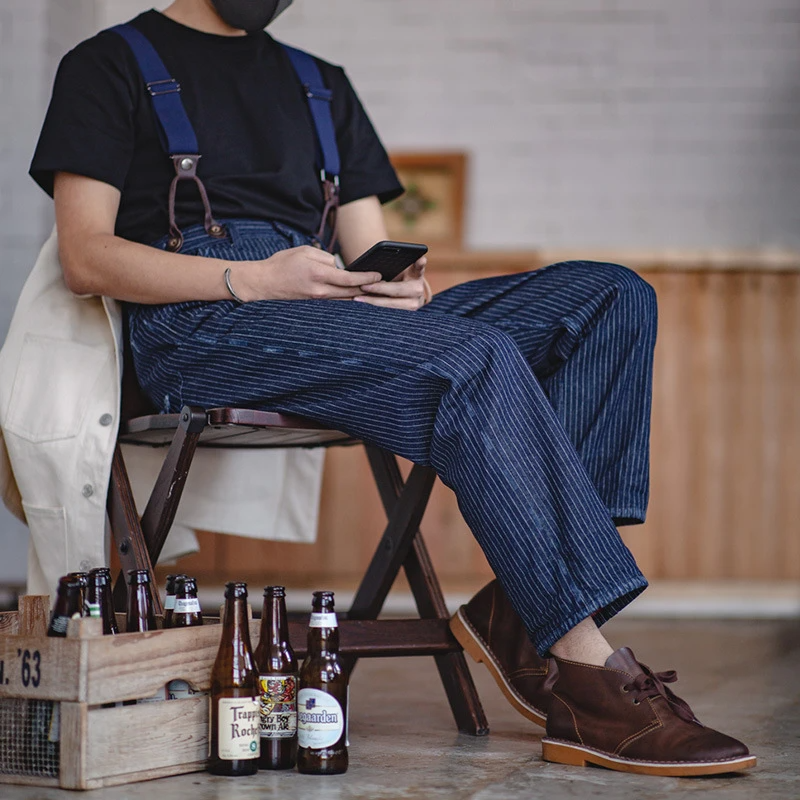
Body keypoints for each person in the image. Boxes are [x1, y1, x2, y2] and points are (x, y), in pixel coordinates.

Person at [27, 0, 755, 777]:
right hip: (202, 322)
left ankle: (520, 606)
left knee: (611, 299)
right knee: (471, 356)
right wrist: (250, 278)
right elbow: (88, 257)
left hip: (326, 311)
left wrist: (396, 285)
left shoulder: (320, 83)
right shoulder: (108, 63)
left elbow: (368, 250)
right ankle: (582, 672)